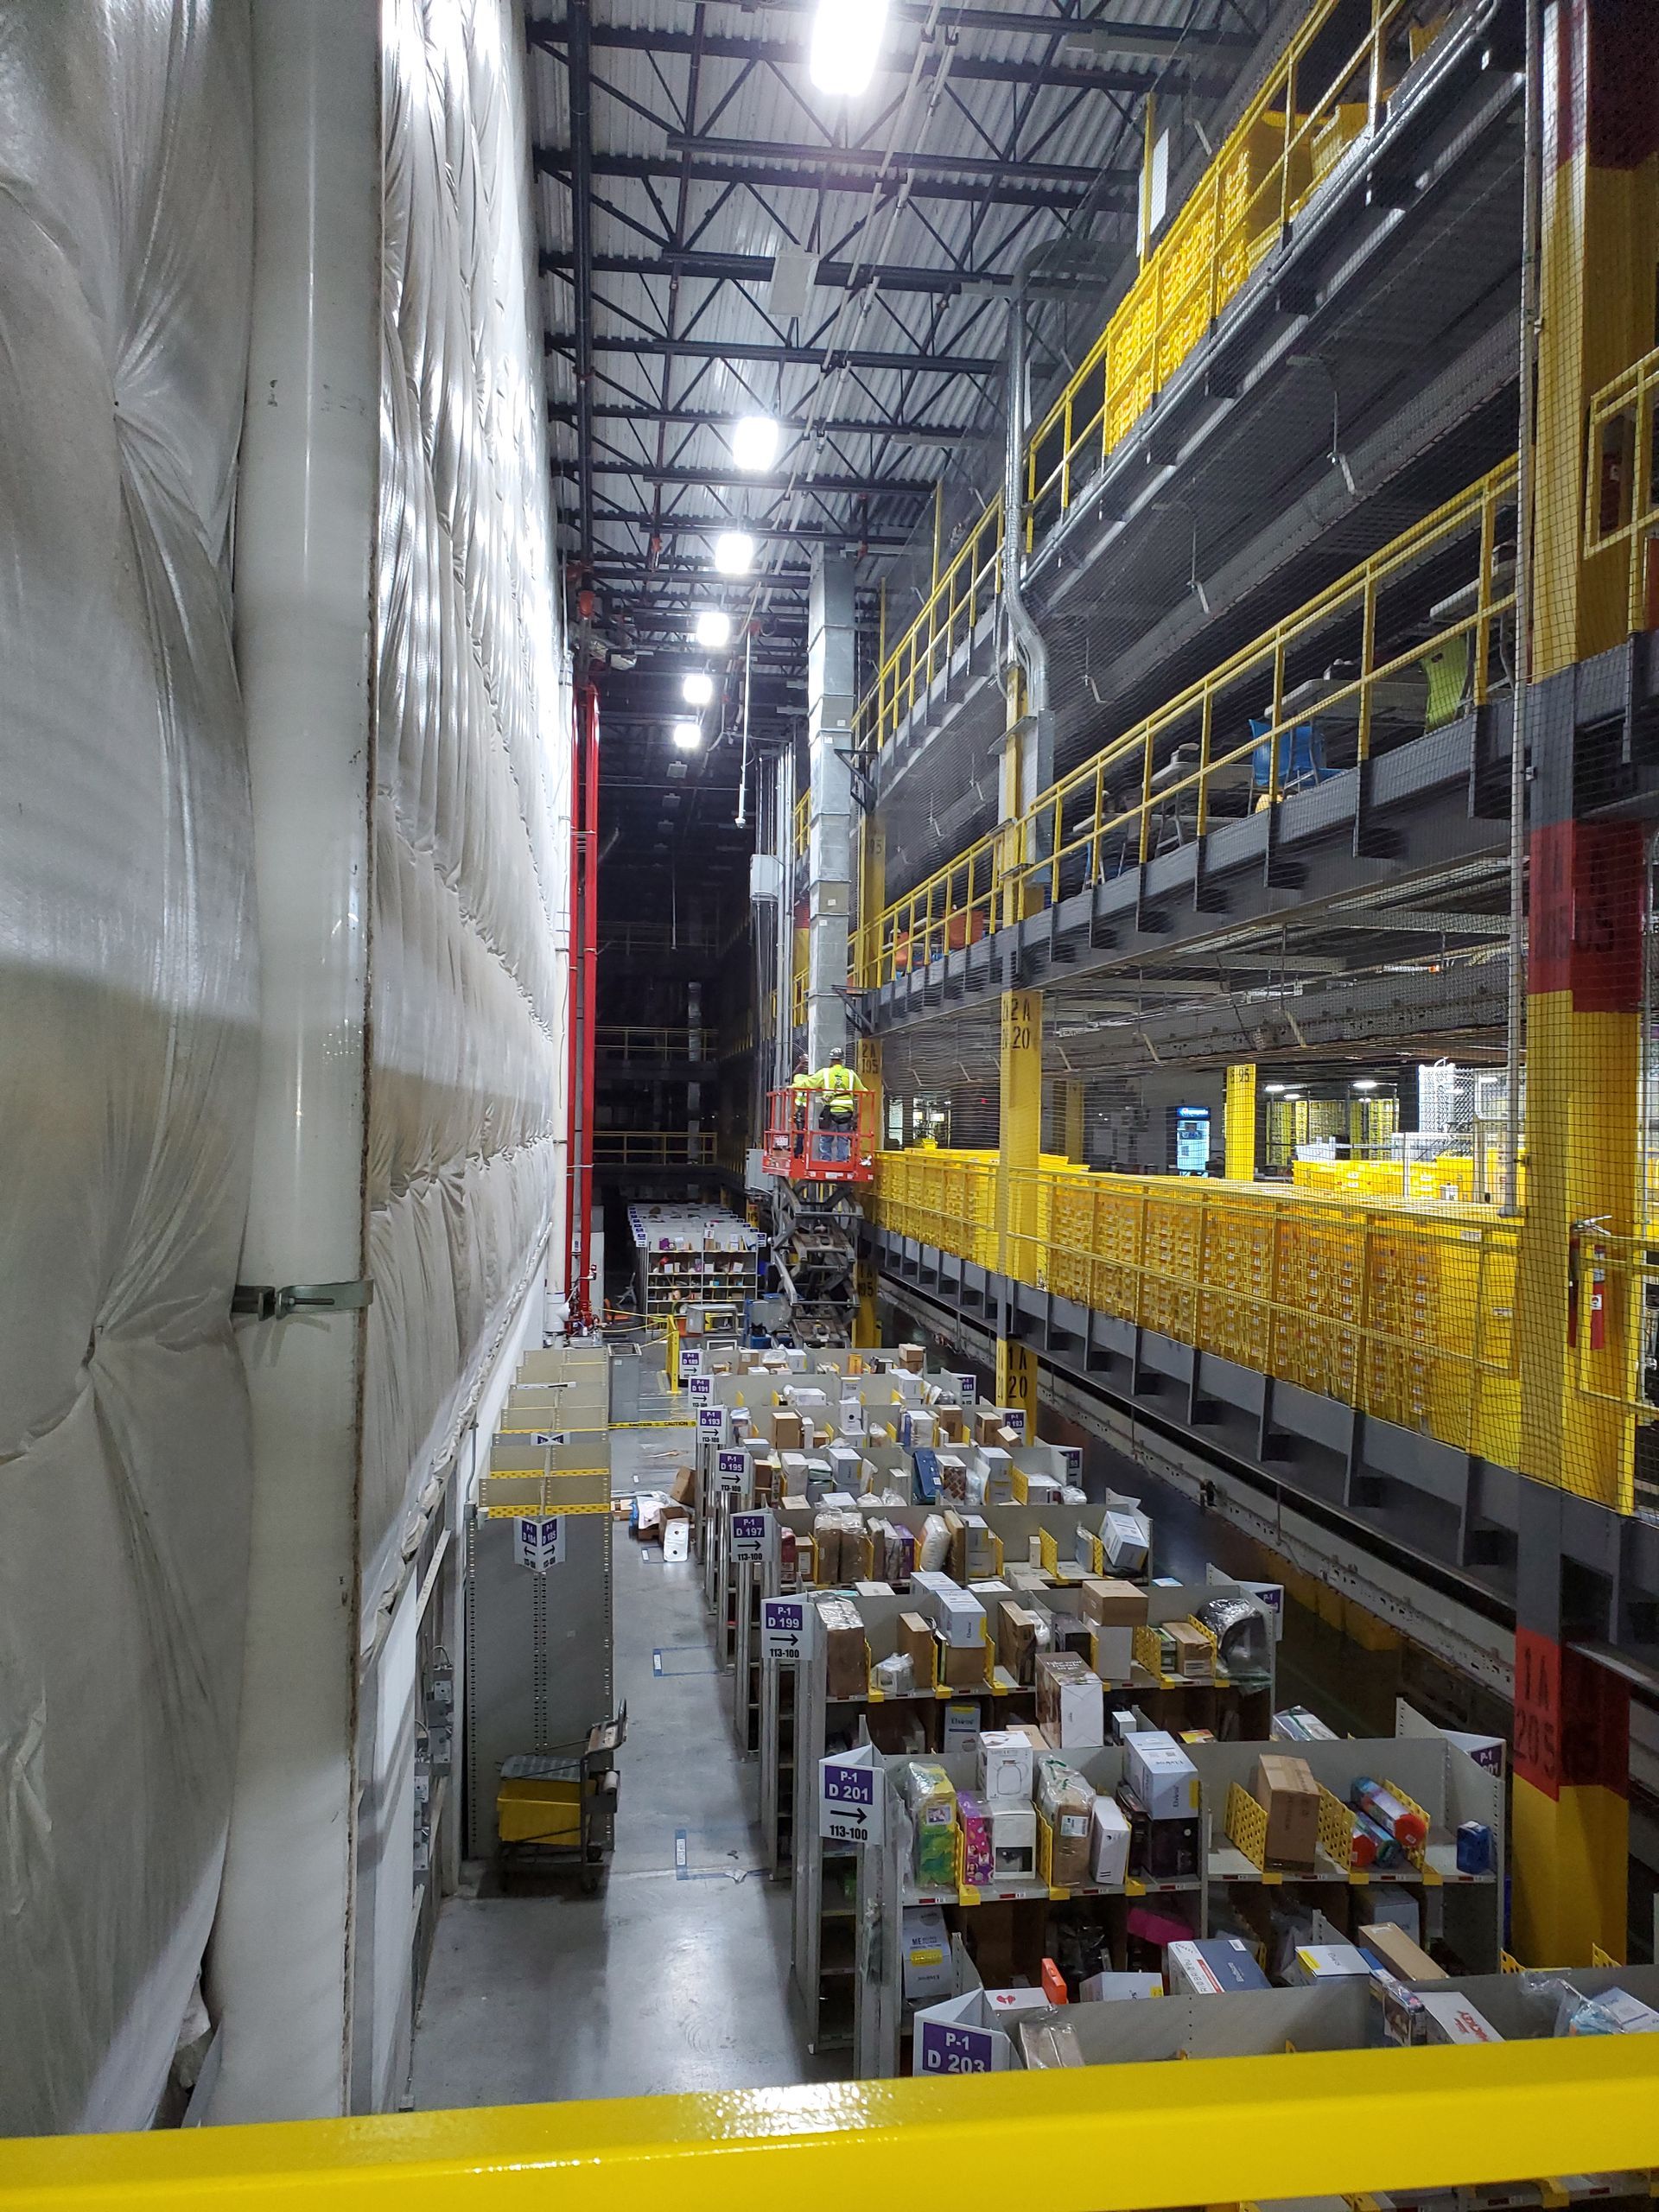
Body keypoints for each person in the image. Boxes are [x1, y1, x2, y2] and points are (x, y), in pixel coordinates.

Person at [814, 1045, 866, 1162]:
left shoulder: (825, 1073)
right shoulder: (851, 1074)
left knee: (826, 1137)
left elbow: (809, 1083)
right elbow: (863, 1091)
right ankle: (841, 1160)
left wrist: (793, 1086)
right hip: (846, 1113)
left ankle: (825, 1160)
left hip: (831, 1112)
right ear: (842, 1060)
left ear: (831, 1060)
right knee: (843, 1138)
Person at [788, 1053, 816, 1162]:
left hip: (802, 1110)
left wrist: (801, 1064)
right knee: (804, 1133)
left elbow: (794, 1076)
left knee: (801, 1133)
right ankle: (802, 1151)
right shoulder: (812, 1078)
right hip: (807, 1110)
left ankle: (799, 1152)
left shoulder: (798, 1077)